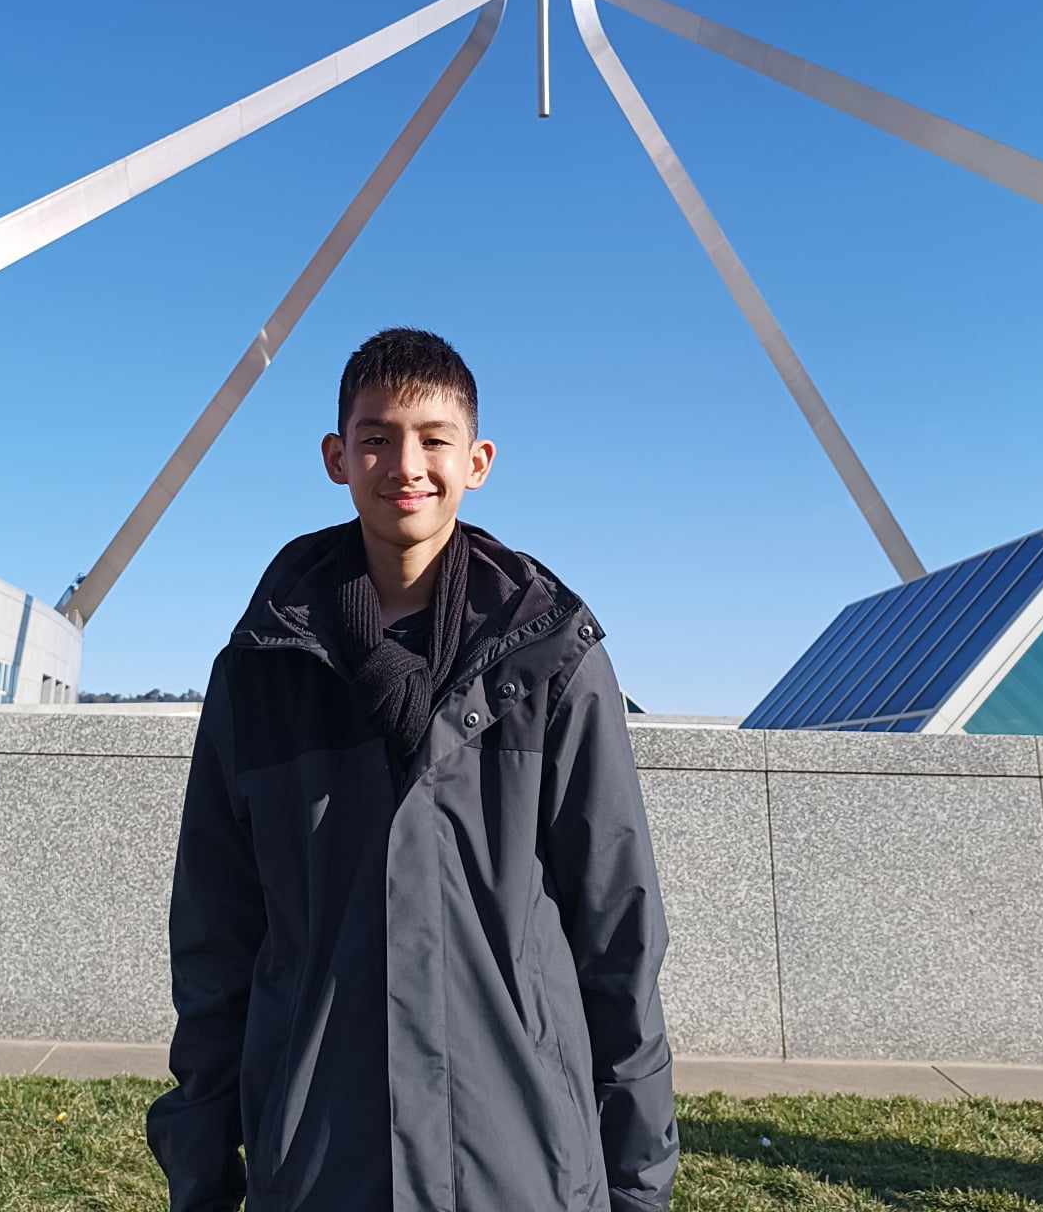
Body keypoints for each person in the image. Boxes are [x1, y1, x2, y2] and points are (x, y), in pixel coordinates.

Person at [146, 328, 678, 1210]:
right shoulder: (261, 670)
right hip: (320, 1159)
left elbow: (618, 932)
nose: (407, 465)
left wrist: (638, 1184)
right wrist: (203, 1173)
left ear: (478, 460)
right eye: (377, 437)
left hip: (522, 1160)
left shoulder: (552, 663)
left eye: (434, 439)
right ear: (336, 457)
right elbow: (215, 937)